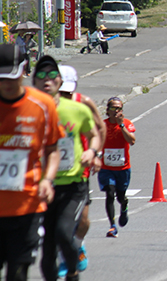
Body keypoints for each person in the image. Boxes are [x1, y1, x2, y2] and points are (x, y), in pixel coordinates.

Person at [33, 56, 102, 281]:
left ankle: (72, 274)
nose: (47, 80)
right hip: (43, 187)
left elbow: (94, 134)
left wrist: (92, 152)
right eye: (41, 75)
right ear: (33, 81)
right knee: (48, 248)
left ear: (60, 82)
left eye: (52, 76)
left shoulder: (77, 109)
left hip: (73, 184)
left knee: (64, 233)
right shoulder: (30, 111)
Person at [0, 44, 62, 281]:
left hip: (26, 205)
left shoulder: (42, 106)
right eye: (1, 78)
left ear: (24, 71)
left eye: (12, 77)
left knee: (18, 273)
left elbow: (52, 149)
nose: (7, 83)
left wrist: (47, 179)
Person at [55, 65, 106, 276]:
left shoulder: (84, 103)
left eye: (67, 92)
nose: (64, 96)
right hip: (52, 171)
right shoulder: (45, 106)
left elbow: (100, 128)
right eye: (61, 92)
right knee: (58, 222)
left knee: (83, 220)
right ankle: (64, 259)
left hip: (79, 168)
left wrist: (95, 154)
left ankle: (77, 245)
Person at [98, 96, 136, 238]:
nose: (116, 111)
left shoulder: (127, 123)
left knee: (120, 196)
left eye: (119, 108)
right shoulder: (102, 125)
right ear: (107, 110)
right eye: (113, 108)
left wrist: (121, 126)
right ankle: (112, 226)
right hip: (106, 168)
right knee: (110, 193)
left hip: (122, 168)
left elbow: (132, 141)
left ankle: (124, 205)